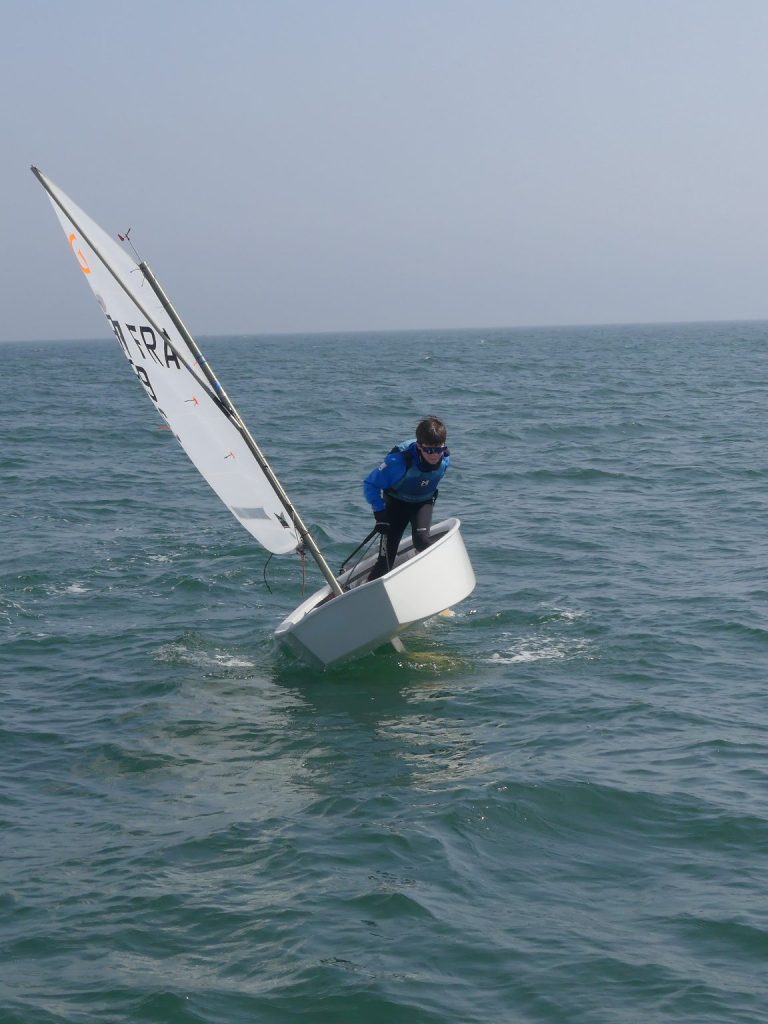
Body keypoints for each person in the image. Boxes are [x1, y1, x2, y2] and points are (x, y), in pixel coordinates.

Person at [363, 416, 451, 581]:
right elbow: (370, 484)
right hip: (396, 504)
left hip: (422, 503)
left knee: (422, 542)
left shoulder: (445, 459)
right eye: (429, 450)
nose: (434, 455)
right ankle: (366, 591)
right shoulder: (398, 462)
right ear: (419, 446)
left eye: (439, 450)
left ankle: (442, 577)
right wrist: (379, 514)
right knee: (386, 561)